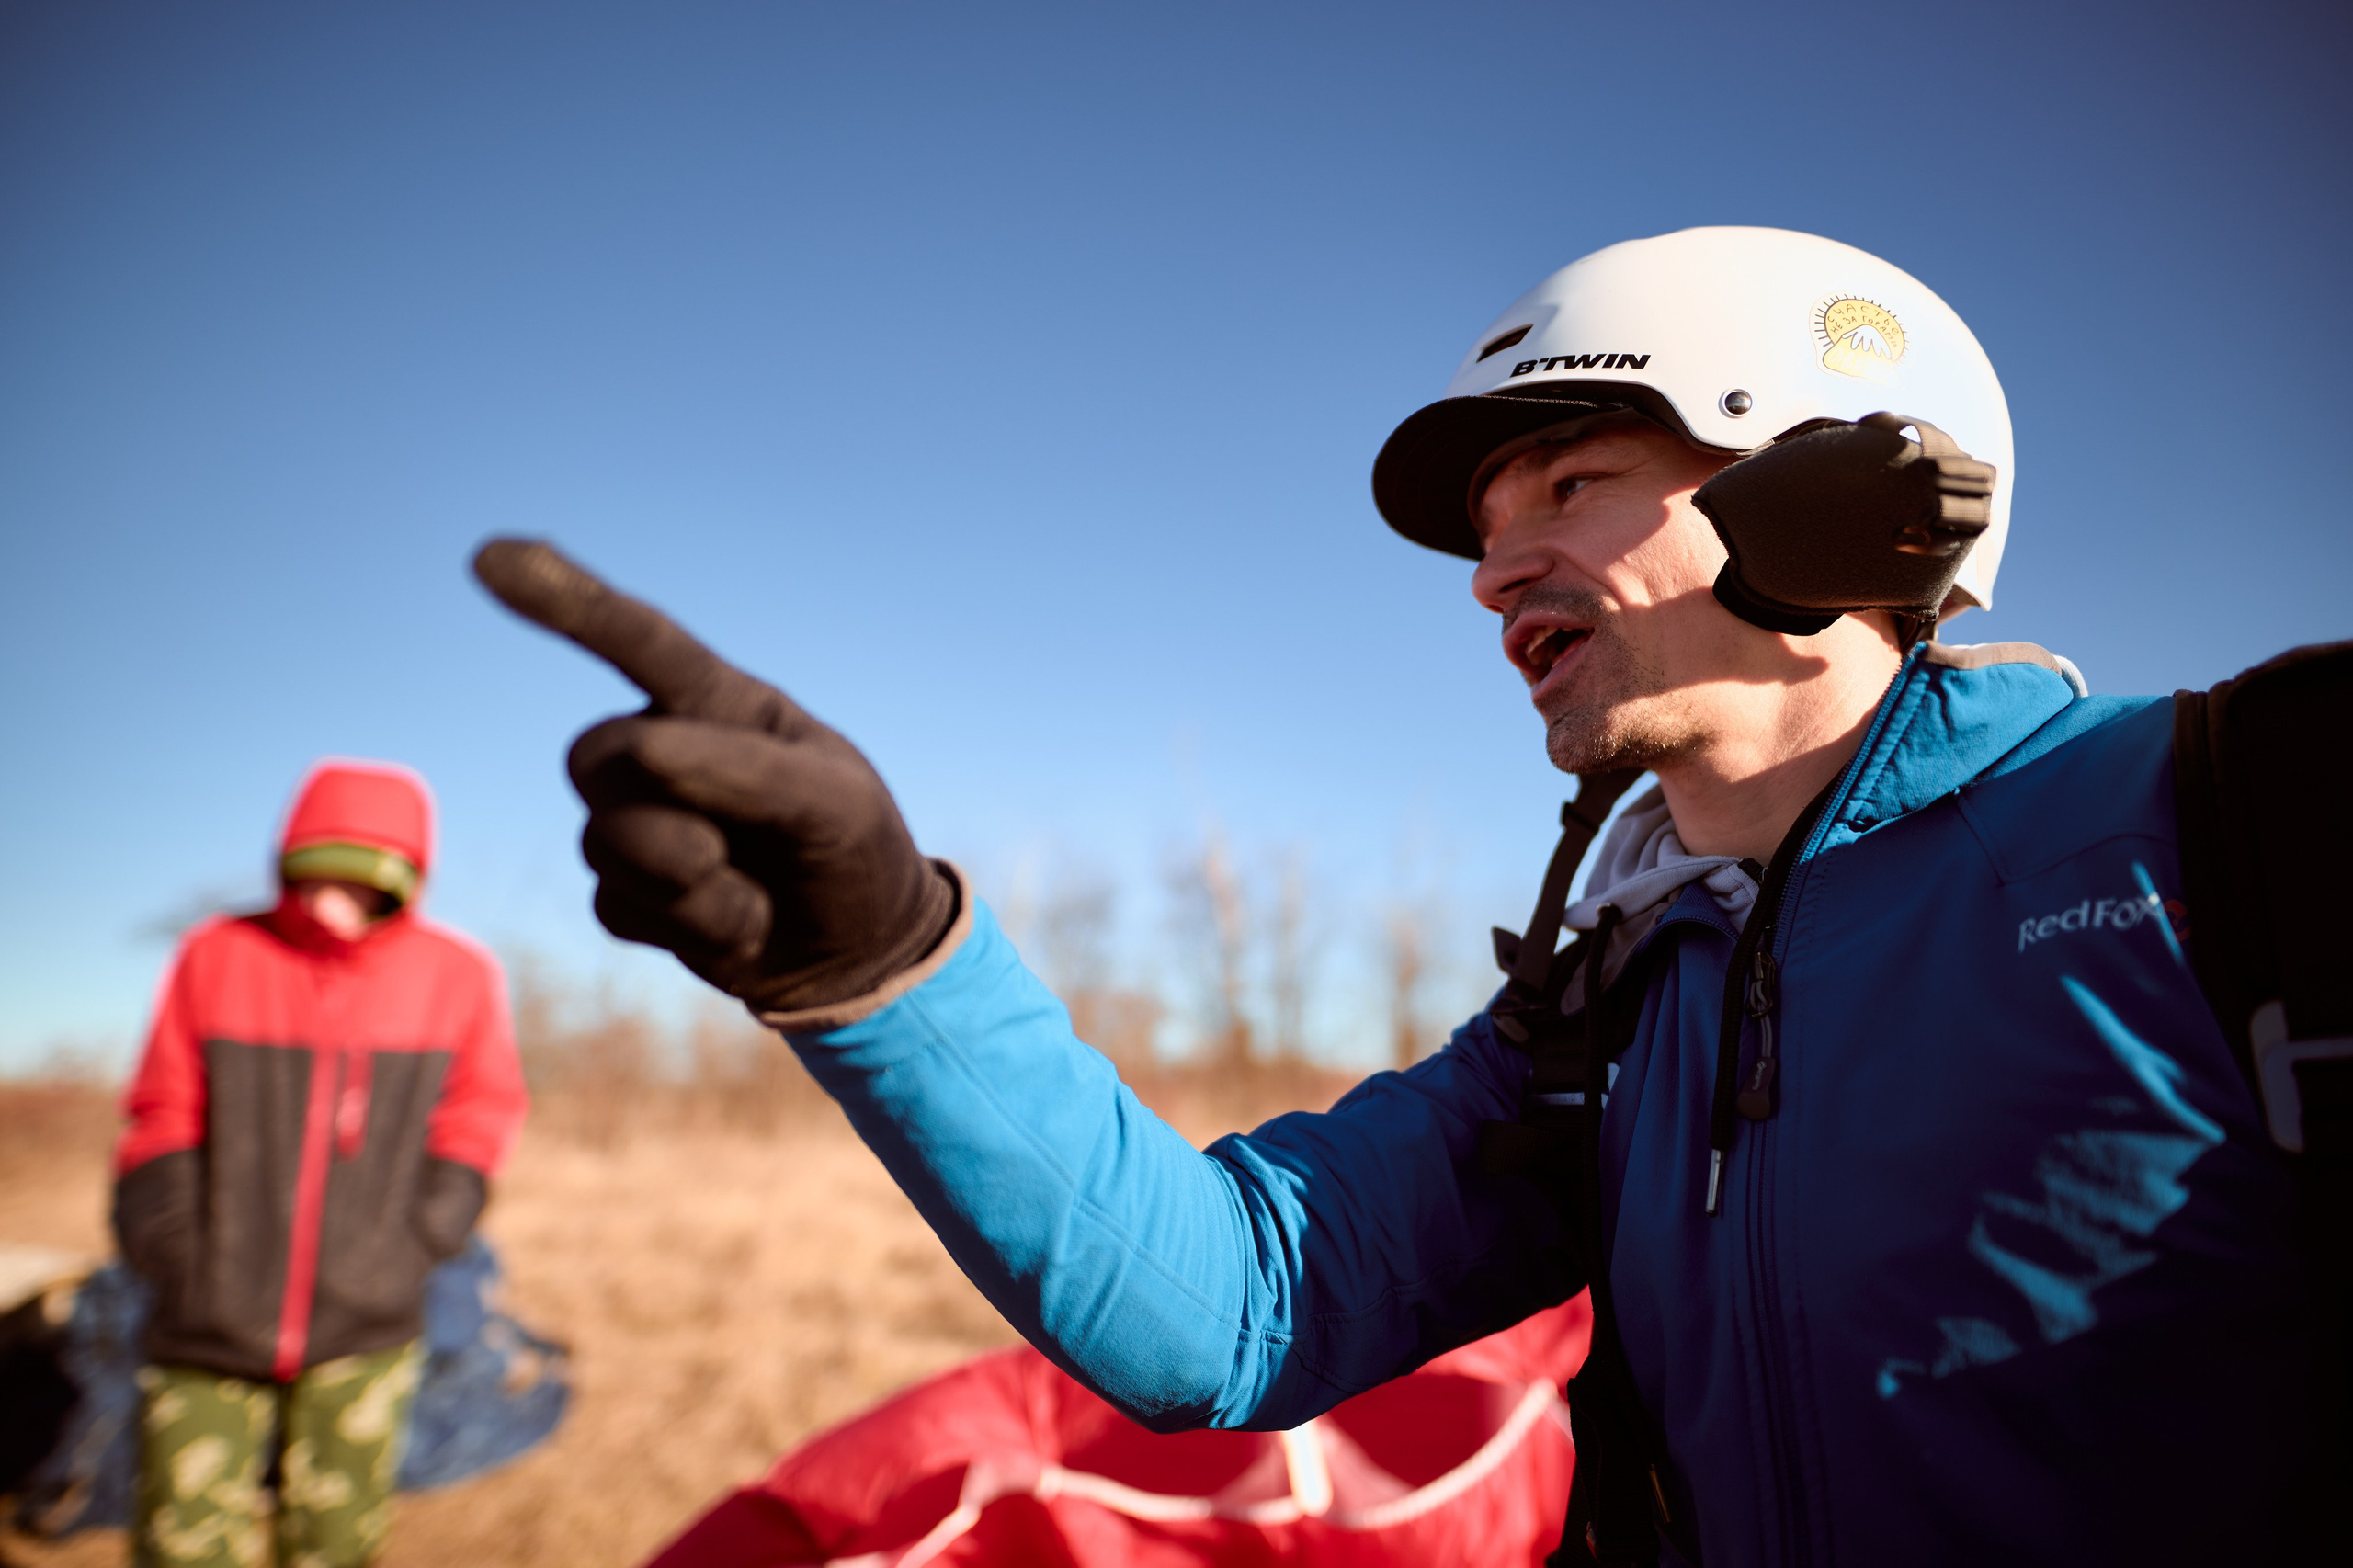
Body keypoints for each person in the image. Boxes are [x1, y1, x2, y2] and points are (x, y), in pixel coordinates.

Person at [476, 226, 2336, 1565]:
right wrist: (881, 953)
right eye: (1487, 529)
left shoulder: (2237, 820)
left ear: (1846, 498)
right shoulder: (1605, 1007)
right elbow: (1227, 1309)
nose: (1490, 574)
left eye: (1571, 484)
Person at [112, 759, 529, 1568]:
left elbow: (482, 1113)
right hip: (204, 1320)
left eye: (360, 881)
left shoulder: (457, 974)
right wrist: (170, 1246)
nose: (332, 902)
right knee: (181, 1545)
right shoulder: (217, 953)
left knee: (337, 1546)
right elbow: (162, 1107)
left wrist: (422, 1240)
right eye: (316, 874)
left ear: (404, 882)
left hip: (367, 1323)